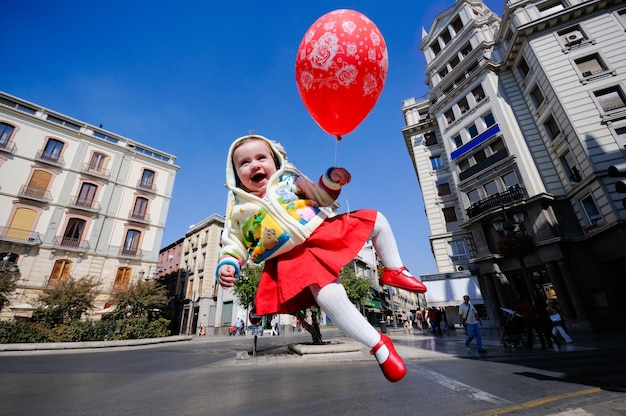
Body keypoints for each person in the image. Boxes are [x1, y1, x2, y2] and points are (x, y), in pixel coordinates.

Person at [216, 134, 428, 382]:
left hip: (320, 232)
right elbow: (234, 243)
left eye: (261, 157)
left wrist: (332, 180)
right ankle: (379, 346)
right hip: (291, 258)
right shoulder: (239, 211)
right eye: (244, 163)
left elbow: (321, 195)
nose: (254, 165)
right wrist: (228, 264)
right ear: (235, 174)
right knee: (329, 296)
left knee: (375, 220)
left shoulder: (290, 181)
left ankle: (394, 270)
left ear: (275, 161)